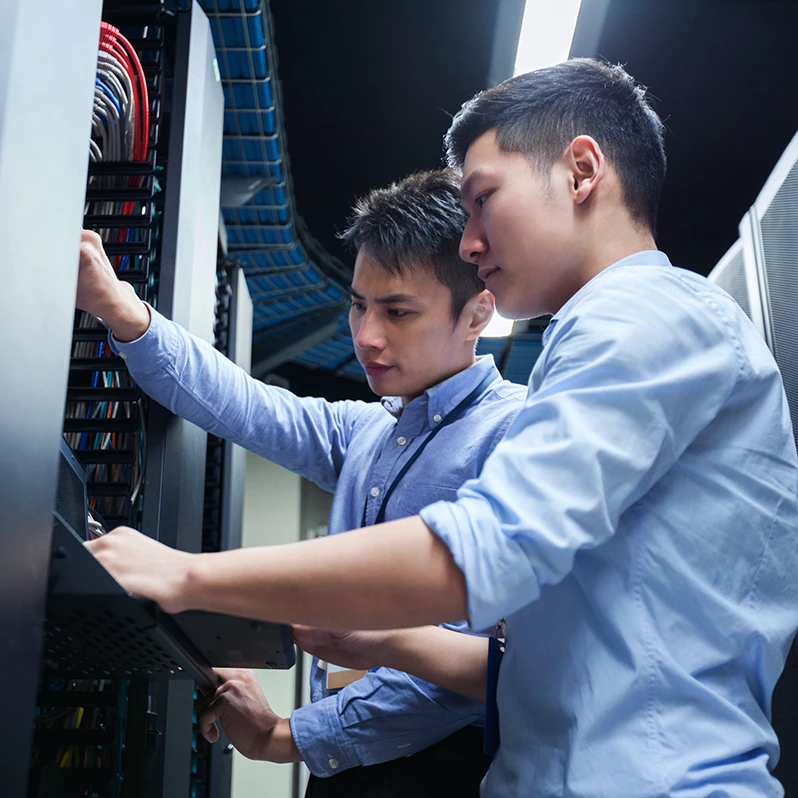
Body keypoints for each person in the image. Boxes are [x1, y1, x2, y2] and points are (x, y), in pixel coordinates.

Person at [87, 58, 798, 798]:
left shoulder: (646, 316)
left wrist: (185, 575)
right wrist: (123, 312)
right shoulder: (577, 353)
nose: (470, 242)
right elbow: (543, 658)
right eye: (360, 308)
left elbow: (483, 548)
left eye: (485, 198)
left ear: (582, 171)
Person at [76, 169, 526, 796]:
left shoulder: (521, 437)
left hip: (442, 773)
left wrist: (289, 736)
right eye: (358, 304)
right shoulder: (368, 432)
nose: (367, 335)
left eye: (397, 311)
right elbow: (243, 404)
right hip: (342, 772)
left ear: (479, 310)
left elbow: (488, 668)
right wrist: (120, 309)